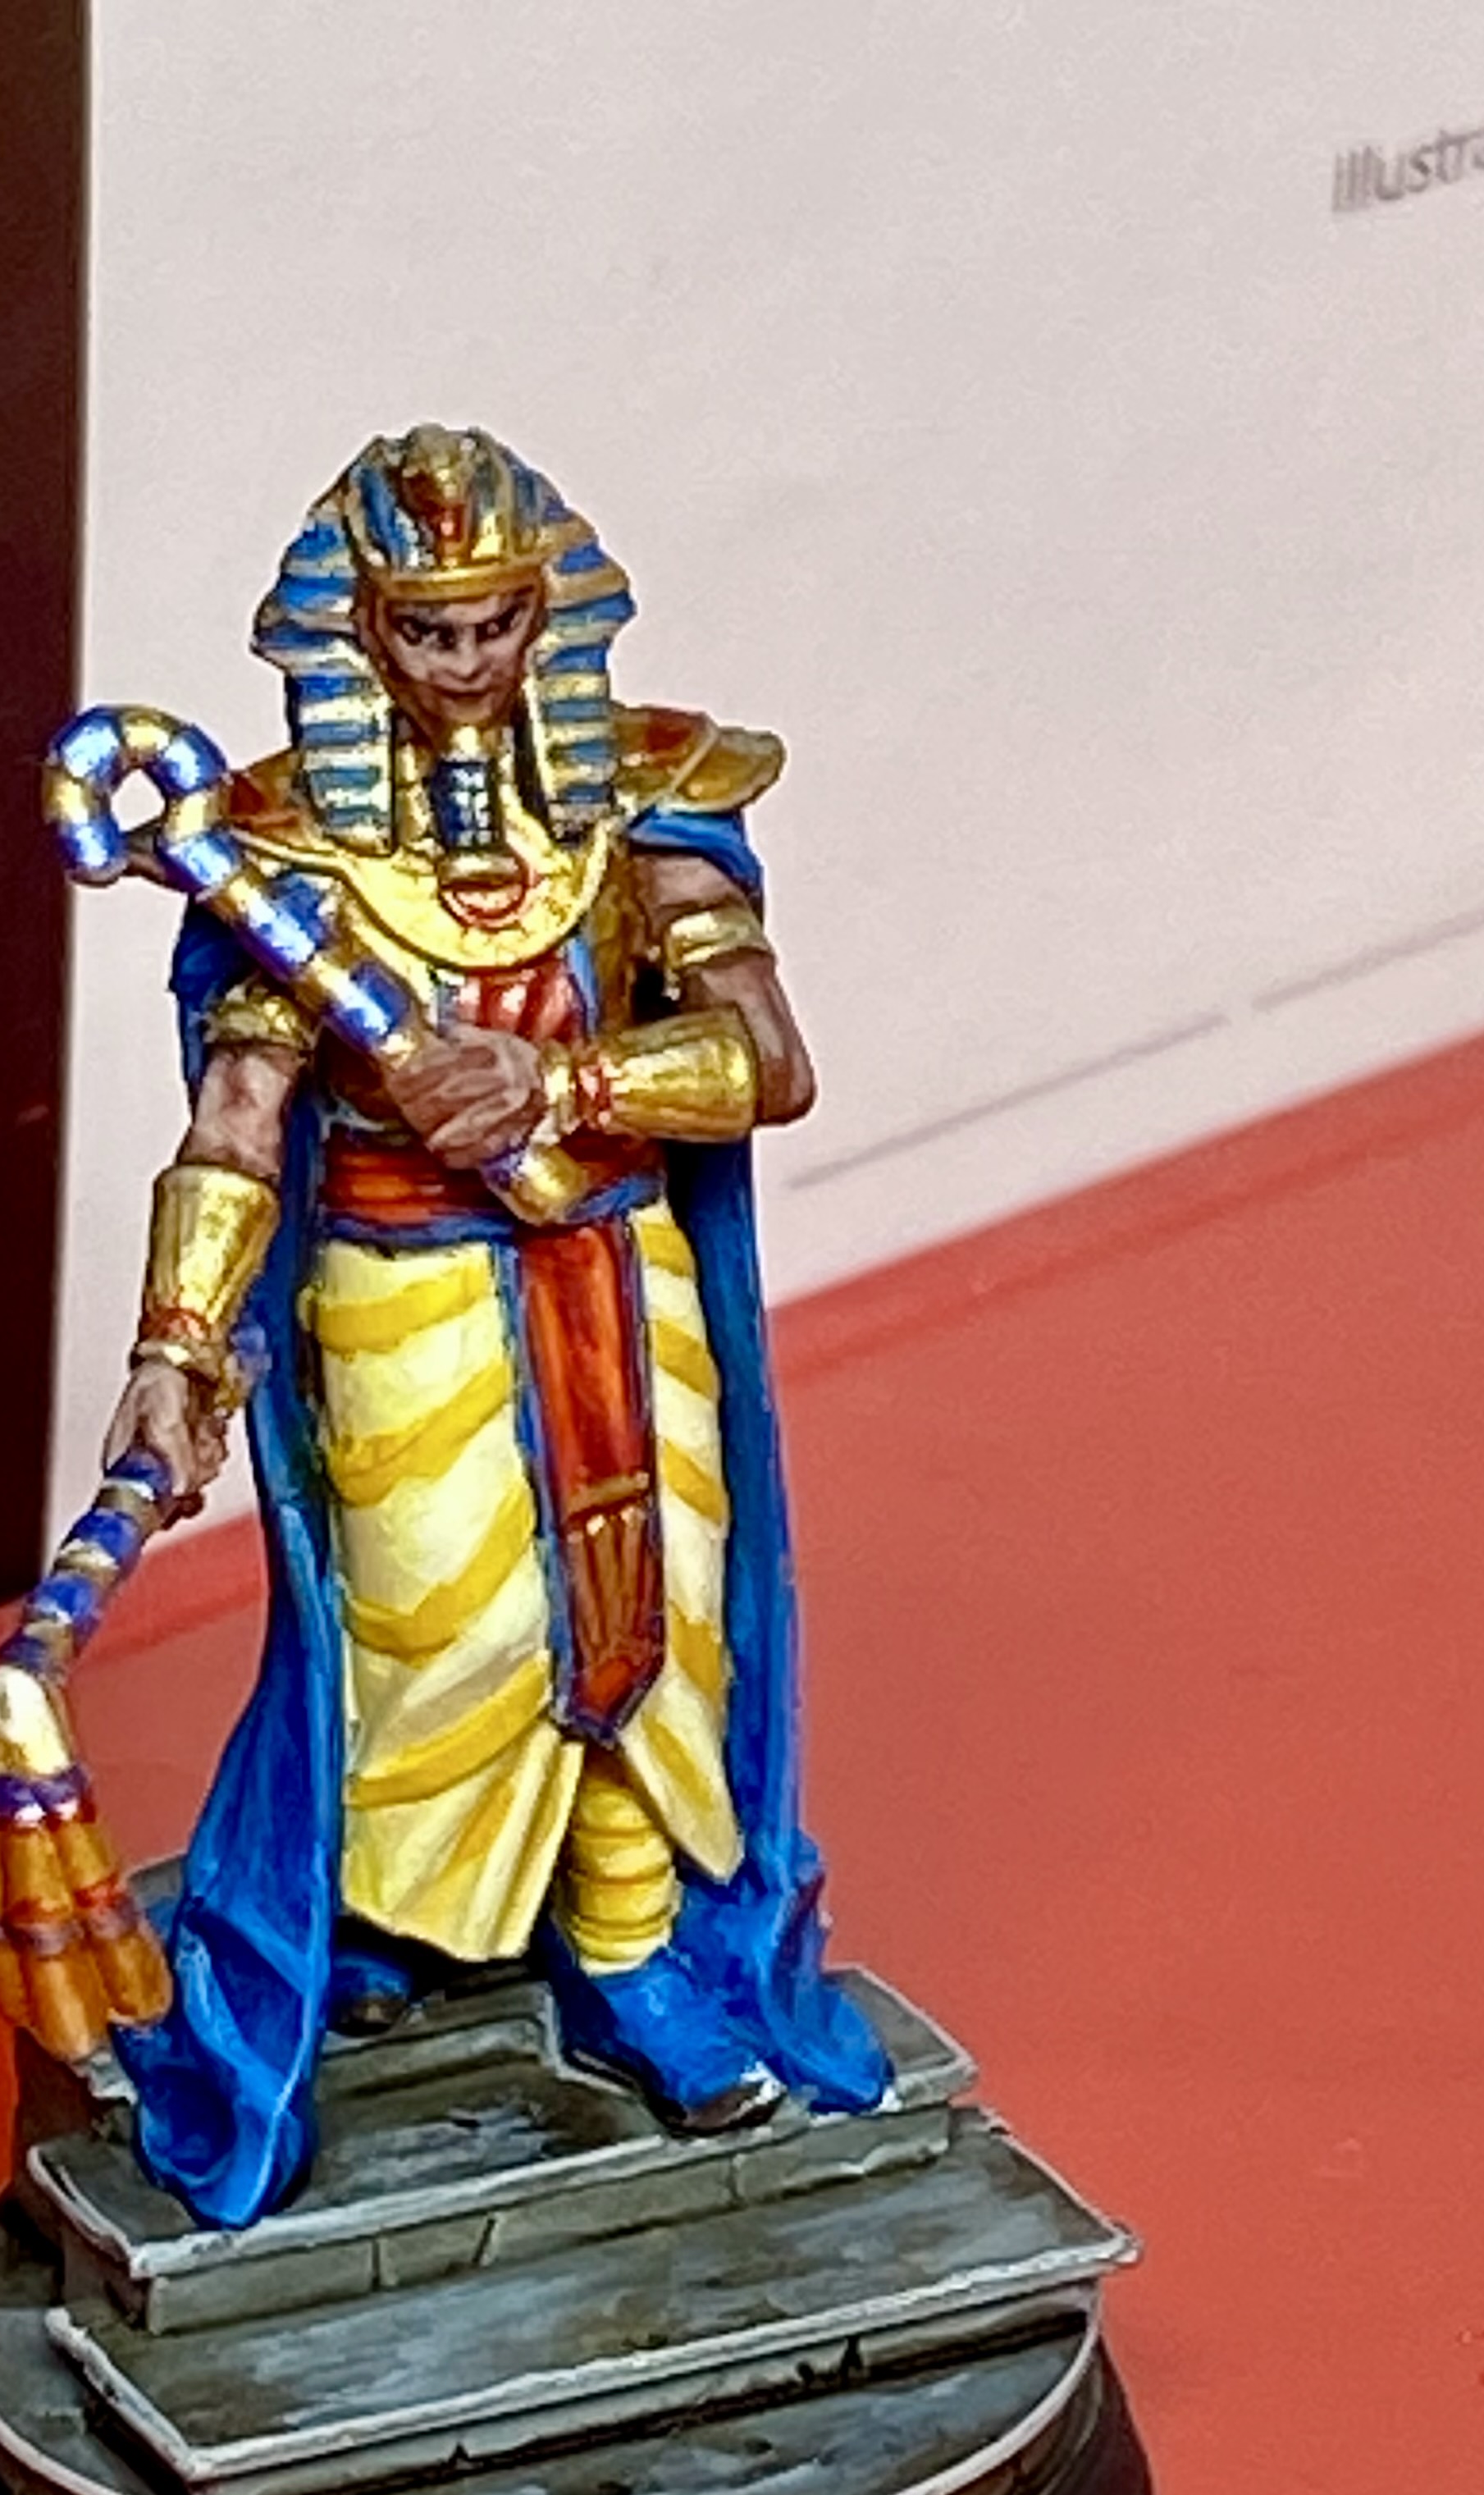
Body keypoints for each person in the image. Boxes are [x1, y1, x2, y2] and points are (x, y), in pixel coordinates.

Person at [72, 425, 890, 2228]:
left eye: (495, 622)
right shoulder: (281, 854)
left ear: (548, 615)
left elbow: (766, 1059)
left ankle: (631, 1951)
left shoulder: (646, 798)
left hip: (616, 1269)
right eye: (424, 630)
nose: (463, 663)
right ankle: (393, 1909)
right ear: (359, 635)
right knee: (436, 1626)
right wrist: (177, 1346)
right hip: (401, 1296)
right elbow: (236, 1126)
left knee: (643, 1622)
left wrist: (565, 1082)